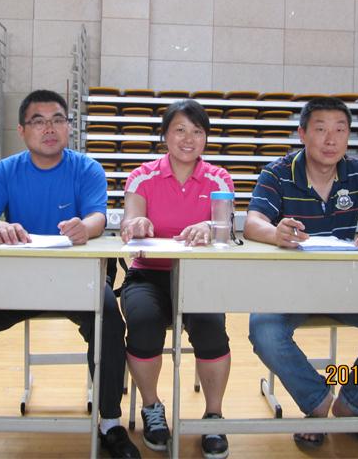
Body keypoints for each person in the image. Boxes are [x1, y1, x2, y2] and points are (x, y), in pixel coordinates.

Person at [0, 89, 140, 459]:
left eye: (58, 120)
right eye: (38, 121)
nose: (49, 128)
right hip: (19, 279)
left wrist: (86, 227)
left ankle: (110, 422)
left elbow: (97, 215)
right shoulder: (5, 170)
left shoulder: (87, 169)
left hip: (75, 278)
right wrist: (0, 227)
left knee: (109, 318)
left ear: (69, 127)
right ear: (22, 130)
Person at [244, 96, 358, 452]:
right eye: (321, 129)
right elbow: (252, 223)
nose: (331, 139)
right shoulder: (277, 172)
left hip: (345, 287)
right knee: (264, 328)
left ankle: (355, 407)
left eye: (340, 130)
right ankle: (318, 404)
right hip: (291, 289)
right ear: (302, 134)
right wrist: (275, 233)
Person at [120, 99, 232, 459]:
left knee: (211, 328)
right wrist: (137, 224)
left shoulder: (219, 177)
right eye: (180, 130)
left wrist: (210, 226)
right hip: (148, 275)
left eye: (197, 131)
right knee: (143, 323)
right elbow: (130, 222)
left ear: (206, 138)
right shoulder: (142, 176)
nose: (188, 139)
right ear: (165, 135)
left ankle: (213, 415)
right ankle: (152, 407)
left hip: (199, 277)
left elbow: (225, 227)